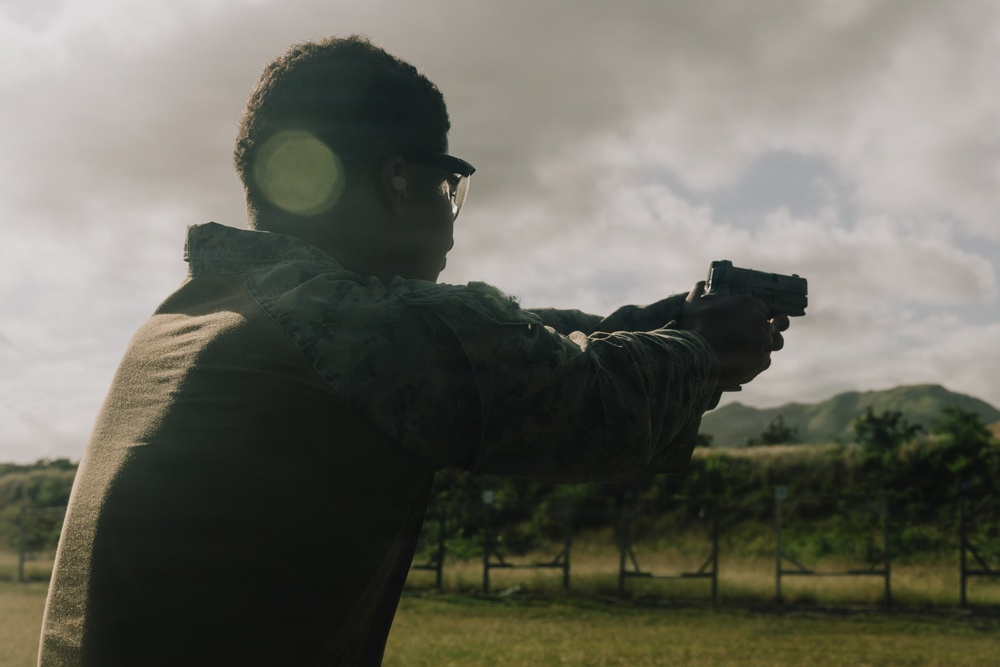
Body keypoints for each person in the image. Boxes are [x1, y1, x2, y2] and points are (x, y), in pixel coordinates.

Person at [39, 35, 788, 665]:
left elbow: (513, 342)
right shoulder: (347, 327)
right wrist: (703, 350)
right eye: (450, 185)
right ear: (399, 179)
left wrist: (671, 321)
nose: (452, 214)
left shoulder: (213, 312)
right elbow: (579, 396)